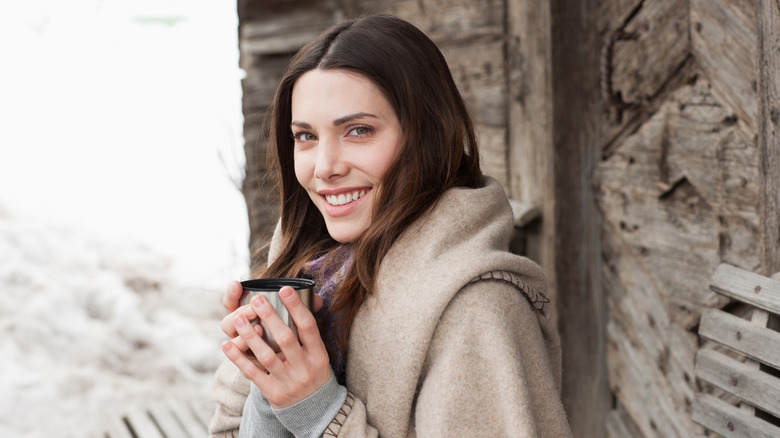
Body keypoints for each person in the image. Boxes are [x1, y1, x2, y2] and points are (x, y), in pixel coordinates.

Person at [209, 14, 572, 438]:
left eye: (358, 130)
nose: (325, 167)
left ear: (427, 135)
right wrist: (269, 374)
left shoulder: (478, 312)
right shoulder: (309, 272)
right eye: (306, 136)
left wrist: (317, 410)